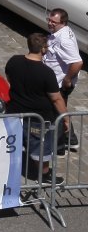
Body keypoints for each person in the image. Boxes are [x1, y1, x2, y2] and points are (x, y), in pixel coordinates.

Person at [9, 32, 67, 182]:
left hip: (16, 112)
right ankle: (44, 175)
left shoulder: (14, 61)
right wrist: (66, 118)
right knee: (40, 147)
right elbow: (56, 98)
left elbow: (10, 79)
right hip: (38, 118)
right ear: (43, 49)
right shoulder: (46, 72)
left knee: (19, 141)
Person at [45, 9, 82, 152]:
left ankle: (59, 147)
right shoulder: (59, 33)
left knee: (57, 114)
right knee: (60, 110)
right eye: (49, 20)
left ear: (63, 23)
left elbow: (77, 63)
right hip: (55, 80)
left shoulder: (64, 40)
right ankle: (71, 140)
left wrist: (67, 79)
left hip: (60, 82)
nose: (50, 23)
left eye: (54, 22)